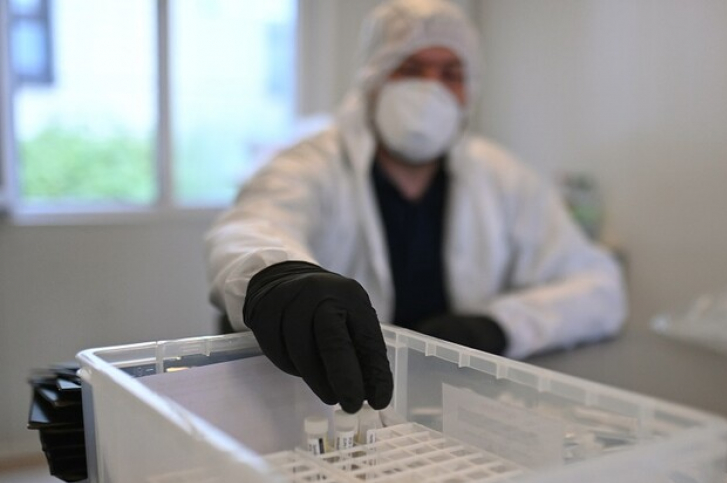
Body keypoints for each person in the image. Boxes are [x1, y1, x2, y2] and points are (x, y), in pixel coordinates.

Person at [204, 0, 627, 414]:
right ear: (373, 78)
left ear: (469, 91)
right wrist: (280, 275)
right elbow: (253, 226)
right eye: (409, 69)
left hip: (463, 407)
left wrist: (497, 326)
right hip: (328, 408)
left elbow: (600, 289)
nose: (429, 90)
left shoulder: (504, 178)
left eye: (450, 73)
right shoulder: (310, 164)